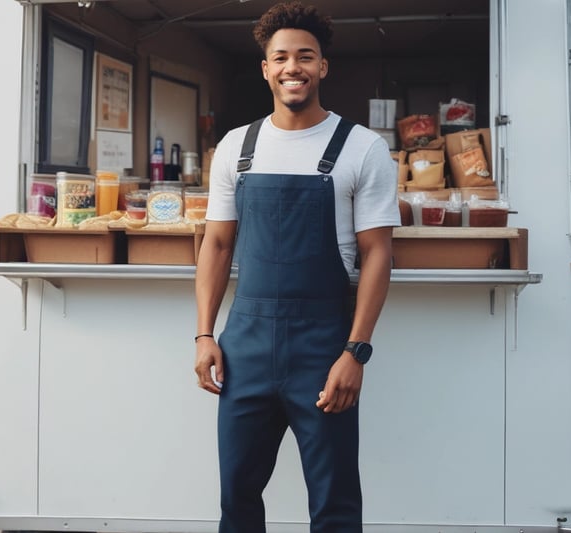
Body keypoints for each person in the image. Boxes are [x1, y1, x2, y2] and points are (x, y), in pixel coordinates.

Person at [194, 2, 400, 531]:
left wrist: (356, 351)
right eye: (280, 57)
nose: (293, 67)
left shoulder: (362, 148)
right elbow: (217, 246)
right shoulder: (235, 148)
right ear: (265, 68)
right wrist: (203, 335)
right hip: (245, 347)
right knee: (237, 497)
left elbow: (378, 252)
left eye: (305, 56)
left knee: (334, 503)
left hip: (324, 346)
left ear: (322, 66)